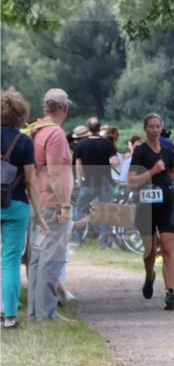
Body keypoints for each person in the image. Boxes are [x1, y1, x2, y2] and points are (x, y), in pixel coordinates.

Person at [129, 113, 174, 310]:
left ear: (162, 127)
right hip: (146, 204)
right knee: (150, 250)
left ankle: (170, 292)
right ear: (146, 129)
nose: (155, 130)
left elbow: (172, 170)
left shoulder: (169, 149)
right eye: (151, 126)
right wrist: (152, 171)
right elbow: (131, 181)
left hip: (167, 202)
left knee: (168, 248)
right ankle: (149, 275)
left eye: (158, 126)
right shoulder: (140, 151)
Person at [26, 89, 74, 323]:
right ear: (64, 109)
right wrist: (65, 204)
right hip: (53, 205)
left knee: (37, 258)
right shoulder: (55, 134)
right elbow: (56, 172)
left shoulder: (37, 130)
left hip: (37, 203)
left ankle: (36, 311)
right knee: (51, 258)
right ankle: (47, 314)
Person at [1, 90, 46, 329]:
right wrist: (39, 215)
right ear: (21, 115)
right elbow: (31, 182)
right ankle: (9, 317)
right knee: (10, 262)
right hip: (16, 205)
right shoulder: (24, 142)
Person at [72, 117, 120, 247]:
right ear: (99, 129)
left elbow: (78, 166)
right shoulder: (107, 144)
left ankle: (78, 238)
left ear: (88, 129)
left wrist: (79, 180)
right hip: (105, 182)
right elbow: (115, 162)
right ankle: (103, 242)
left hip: (89, 182)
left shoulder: (81, 145)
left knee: (79, 209)